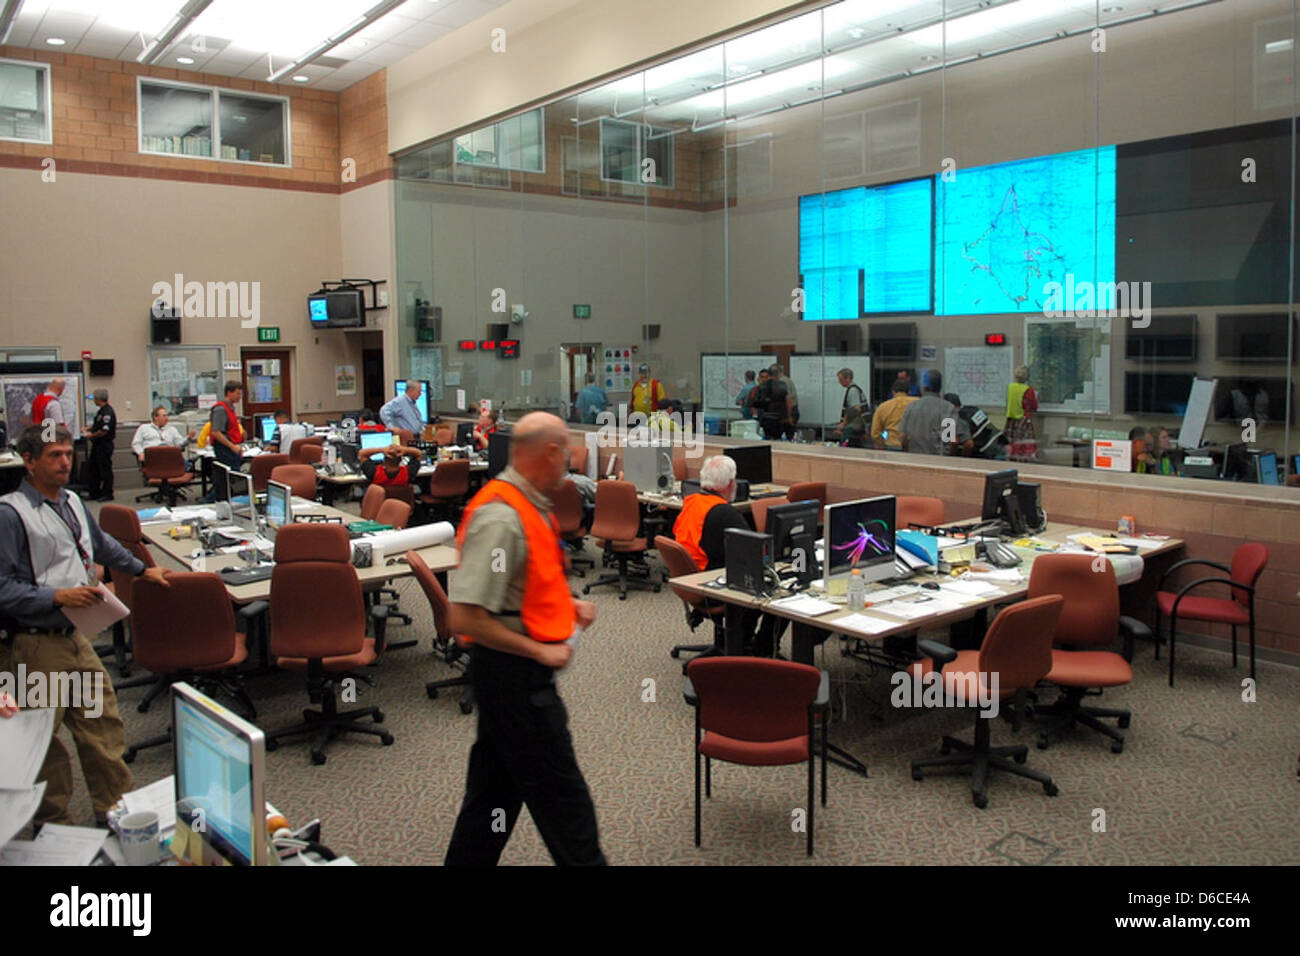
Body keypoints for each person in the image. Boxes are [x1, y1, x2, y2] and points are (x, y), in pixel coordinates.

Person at [444, 412, 605, 866]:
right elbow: (468, 616)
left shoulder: (529, 505)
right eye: (568, 453)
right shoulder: (502, 518)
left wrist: (568, 606)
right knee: (568, 811)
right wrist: (539, 649)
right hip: (514, 680)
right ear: (550, 453)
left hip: (507, 681)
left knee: (491, 802)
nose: (571, 463)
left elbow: (523, 586)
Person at [0, 424, 171, 825]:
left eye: (67, 452)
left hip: (75, 639)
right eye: (53, 455)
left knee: (102, 730)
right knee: (43, 744)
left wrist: (142, 570)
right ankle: (50, 828)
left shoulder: (73, 500)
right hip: (36, 647)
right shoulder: (10, 515)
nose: (65, 461)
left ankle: (114, 816)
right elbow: (3, 587)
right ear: (29, 462)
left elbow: (101, 545)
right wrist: (55, 597)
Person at [671, 455, 786, 656]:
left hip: (692, 579)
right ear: (731, 483)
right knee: (779, 591)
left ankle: (740, 641)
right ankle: (762, 646)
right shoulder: (724, 513)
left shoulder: (692, 502)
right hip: (712, 586)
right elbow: (755, 549)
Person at [899, 370, 970, 456]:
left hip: (915, 459)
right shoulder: (948, 408)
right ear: (940, 387)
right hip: (939, 460)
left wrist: (909, 454)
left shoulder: (911, 407)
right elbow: (953, 441)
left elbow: (903, 437)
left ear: (924, 387)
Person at [82, 388, 116, 502]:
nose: (94, 400)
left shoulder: (107, 412)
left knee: (104, 469)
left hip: (104, 445)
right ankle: (94, 492)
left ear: (98, 399)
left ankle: (107, 493)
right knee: (94, 469)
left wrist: (91, 436)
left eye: (94, 398)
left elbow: (104, 430)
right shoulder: (101, 411)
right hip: (97, 445)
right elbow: (98, 425)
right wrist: (88, 428)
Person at [1004, 364, 1038, 462]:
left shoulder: (1010, 387)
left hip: (1011, 420)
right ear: (1027, 377)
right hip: (1023, 419)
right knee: (1024, 446)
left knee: (1011, 444)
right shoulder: (1028, 389)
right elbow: (1033, 406)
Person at [870, 378, 916, 450]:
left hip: (891, 445)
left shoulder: (883, 406)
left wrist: (883, 441)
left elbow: (875, 433)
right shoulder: (917, 403)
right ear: (909, 391)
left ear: (893, 391)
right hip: (912, 446)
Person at [755, 364, 793, 441]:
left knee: (768, 440)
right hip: (780, 418)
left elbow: (756, 403)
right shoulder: (782, 385)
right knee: (779, 440)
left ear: (768, 375)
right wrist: (788, 416)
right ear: (778, 374)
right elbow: (789, 402)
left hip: (766, 418)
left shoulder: (762, 386)